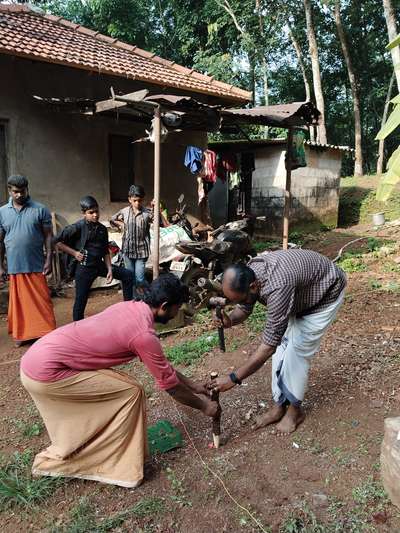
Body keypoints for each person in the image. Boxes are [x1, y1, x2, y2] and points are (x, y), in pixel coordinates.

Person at [20, 274, 218, 488]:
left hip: (35, 359)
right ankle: (121, 468)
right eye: (176, 308)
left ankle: (103, 445)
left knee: (125, 387)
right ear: (164, 306)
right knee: (131, 393)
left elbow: (164, 368)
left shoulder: (130, 307)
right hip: (46, 373)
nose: (177, 313)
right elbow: (171, 388)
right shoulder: (143, 335)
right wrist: (205, 406)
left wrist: (195, 386)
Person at [210, 249, 347, 434]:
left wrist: (234, 378)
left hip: (325, 292)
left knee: (297, 351)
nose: (239, 303)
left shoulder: (277, 288)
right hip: (301, 294)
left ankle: (295, 411)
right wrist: (231, 320)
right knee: (282, 349)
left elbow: (267, 348)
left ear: (253, 286)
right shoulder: (251, 273)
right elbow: (245, 304)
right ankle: (279, 406)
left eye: (239, 298)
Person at [55, 196, 134, 321]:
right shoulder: (77, 227)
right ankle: (77, 327)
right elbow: (57, 242)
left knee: (128, 275)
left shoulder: (102, 229)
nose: (95, 215)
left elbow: (105, 251)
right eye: (91, 213)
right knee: (81, 300)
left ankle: (129, 310)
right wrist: (74, 253)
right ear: (84, 213)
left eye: (97, 211)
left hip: (99, 265)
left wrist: (109, 269)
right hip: (84, 269)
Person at [0, 175, 56, 347]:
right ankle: (21, 334)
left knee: (41, 301)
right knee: (19, 305)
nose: (19, 195)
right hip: (14, 265)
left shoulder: (40, 209)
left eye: (22, 191)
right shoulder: (2, 212)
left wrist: (49, 259)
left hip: (36, 264)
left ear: (27, 189)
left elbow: (48, 236)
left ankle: (45, 332)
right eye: (15, 192)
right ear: (10, 191)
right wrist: (0, 266)